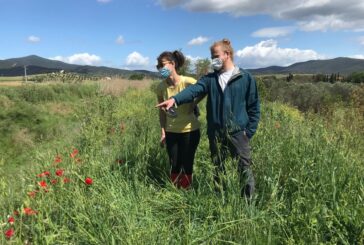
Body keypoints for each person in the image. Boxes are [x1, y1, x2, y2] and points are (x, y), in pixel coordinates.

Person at [156, 39, 260, 199]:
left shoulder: (245, 78)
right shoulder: (210, 79)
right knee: (219, 170)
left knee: (244, 170)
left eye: (216, 56)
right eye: (212, 57)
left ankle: (248, 204)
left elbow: (254, 107)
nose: (213, 60)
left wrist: (248, 132)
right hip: (216, 133)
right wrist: (175, 99)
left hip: (239, 133)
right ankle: (221, 201)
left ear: (227, 54)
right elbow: (194, 90)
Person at [155, 50, 201, 189]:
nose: (161, 68)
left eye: (163, 65)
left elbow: (203, 90)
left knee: (187, 163)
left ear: (173, 64)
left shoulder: (188, 82)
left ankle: (186, 192)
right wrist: (163, 131)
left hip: (190, 130)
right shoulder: (161, 87)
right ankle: (175, 190)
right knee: (174, 163)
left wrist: (194, 104)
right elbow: (162, 112)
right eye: (159, 66)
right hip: (171, 131)